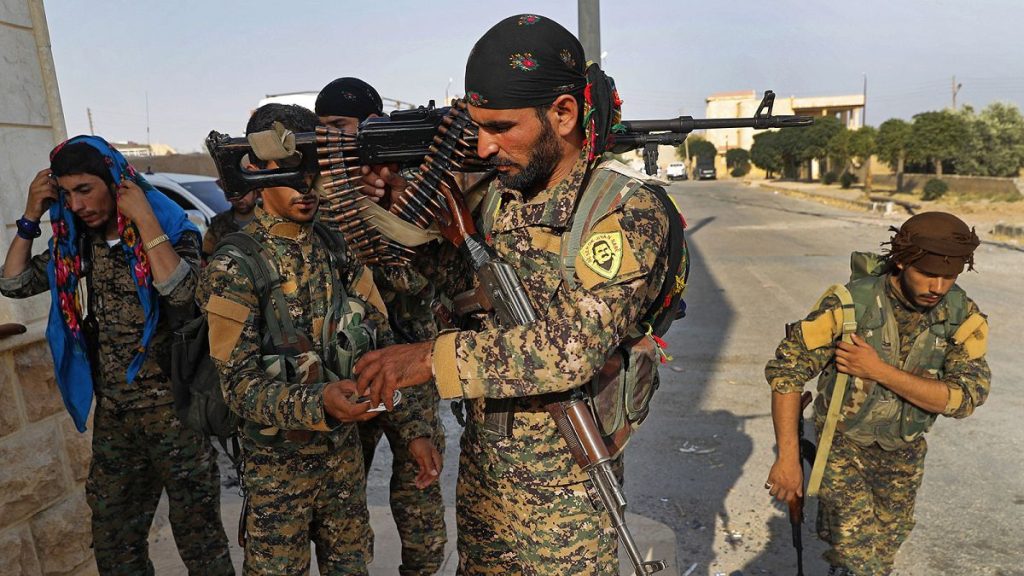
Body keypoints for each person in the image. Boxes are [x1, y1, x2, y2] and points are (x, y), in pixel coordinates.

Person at [353, 15, 686, 574]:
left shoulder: (624, 210)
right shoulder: (502, 198)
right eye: (477, 128)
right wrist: (394, 215)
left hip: (564, 520)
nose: (483, 147)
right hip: (486, 495)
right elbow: (456, 292)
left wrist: (427, 362)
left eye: (501, 127)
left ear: (563, 112)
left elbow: (573, 349)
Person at [199, 103, 439, 575]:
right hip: (276, 474)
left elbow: (383, 347)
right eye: (290, 172)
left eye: (314, 171)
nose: (307, 186)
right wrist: (320, 403)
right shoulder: (236, 265)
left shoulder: (336, 247)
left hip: (342, 464)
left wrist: (414, 433)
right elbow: (239, 385)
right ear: (257, 174)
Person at [0, 136, 233, 575]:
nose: (77, 204)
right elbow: (12, 284)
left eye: (85, 189)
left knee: (201, 544)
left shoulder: (174, 231)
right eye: (66, 194)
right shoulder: (74, 248)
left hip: (177, 414)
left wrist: (146, 222)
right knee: (114, 540)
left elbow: (183, 292)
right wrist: (31, 216)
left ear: (115, 182)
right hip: (117, 419)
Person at [765, 212, 991, 576]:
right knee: (859, 557)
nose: (938, 287)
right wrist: (788, 460)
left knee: (884, 551)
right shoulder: (850, 305)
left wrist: (878, 370)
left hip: (904, 451)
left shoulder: (960, 316)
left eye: (949, 277)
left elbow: (964, 398)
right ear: (901, 261)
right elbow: (786, 373)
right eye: (928, 274)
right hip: (842, 447)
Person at [316, 76, 447, 576]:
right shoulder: (317, 195)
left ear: (371, 126)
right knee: (343, 511)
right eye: (322, 129)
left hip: (411, 364)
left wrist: (392, 203)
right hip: (348, 368)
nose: (330, 141)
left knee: (420, 501)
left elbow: (422, 278)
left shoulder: (405, 181)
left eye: (339, 128)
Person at [202, 186, 259, 261]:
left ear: (255, 194)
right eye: (235, 194)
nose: (240, 199)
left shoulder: (267, 222)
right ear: (228, 197)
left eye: (245, 193)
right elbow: (205, 255)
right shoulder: (219, 222)